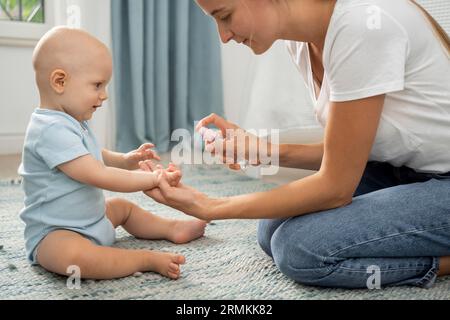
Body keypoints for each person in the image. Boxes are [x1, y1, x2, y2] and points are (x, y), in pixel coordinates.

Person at [142, 0, 450, 288]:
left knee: (301, 249)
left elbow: (335, 187)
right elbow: (346, 153)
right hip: (400, 170)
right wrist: (261, 150)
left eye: (225, 16)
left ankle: (440, 263)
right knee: (271, 230)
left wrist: (210, 206)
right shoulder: (300, 42)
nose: (223, 36)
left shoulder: (361, 25)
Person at [18, 27, 207, 281]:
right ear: (60, 82)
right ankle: (144, 259)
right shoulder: (49, 129)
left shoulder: (72, 120)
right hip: (55, 233)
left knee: (122, 208)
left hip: (93, 220)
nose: (104, 95)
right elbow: (97, 174)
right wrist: (152, 178)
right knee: (78, 260)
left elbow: (94, 155)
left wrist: (125, 160)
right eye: (97, 85)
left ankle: (170, 227)